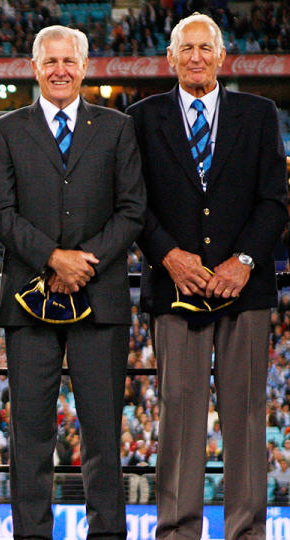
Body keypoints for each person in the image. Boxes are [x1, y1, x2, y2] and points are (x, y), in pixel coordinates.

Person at [127, 12, 288, 540]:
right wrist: (169, 255)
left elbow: (274, 201)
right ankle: (176, 531)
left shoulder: (259, 113)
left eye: (205, 48)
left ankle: (246, 533)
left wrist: (243, 261)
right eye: (185, 48)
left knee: (245, 419)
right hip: (176, 291)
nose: (196, 57)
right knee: (179, 417)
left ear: (222, 56)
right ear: (170, 58)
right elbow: (134, 203)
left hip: (245, 290)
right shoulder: (142, 117)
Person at [0, 25, 146, 539]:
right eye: (49, 61)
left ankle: (107, 534)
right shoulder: (5, 129)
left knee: (102, 432)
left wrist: (85, 261)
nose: (59, 70)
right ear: (34, 67)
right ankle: (31, 534)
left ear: (84, 66)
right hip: (29, 301)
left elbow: (132, 210)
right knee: (30, 434)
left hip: (99, 300)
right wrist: (53, 258)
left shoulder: (117, 128)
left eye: (68, 61)